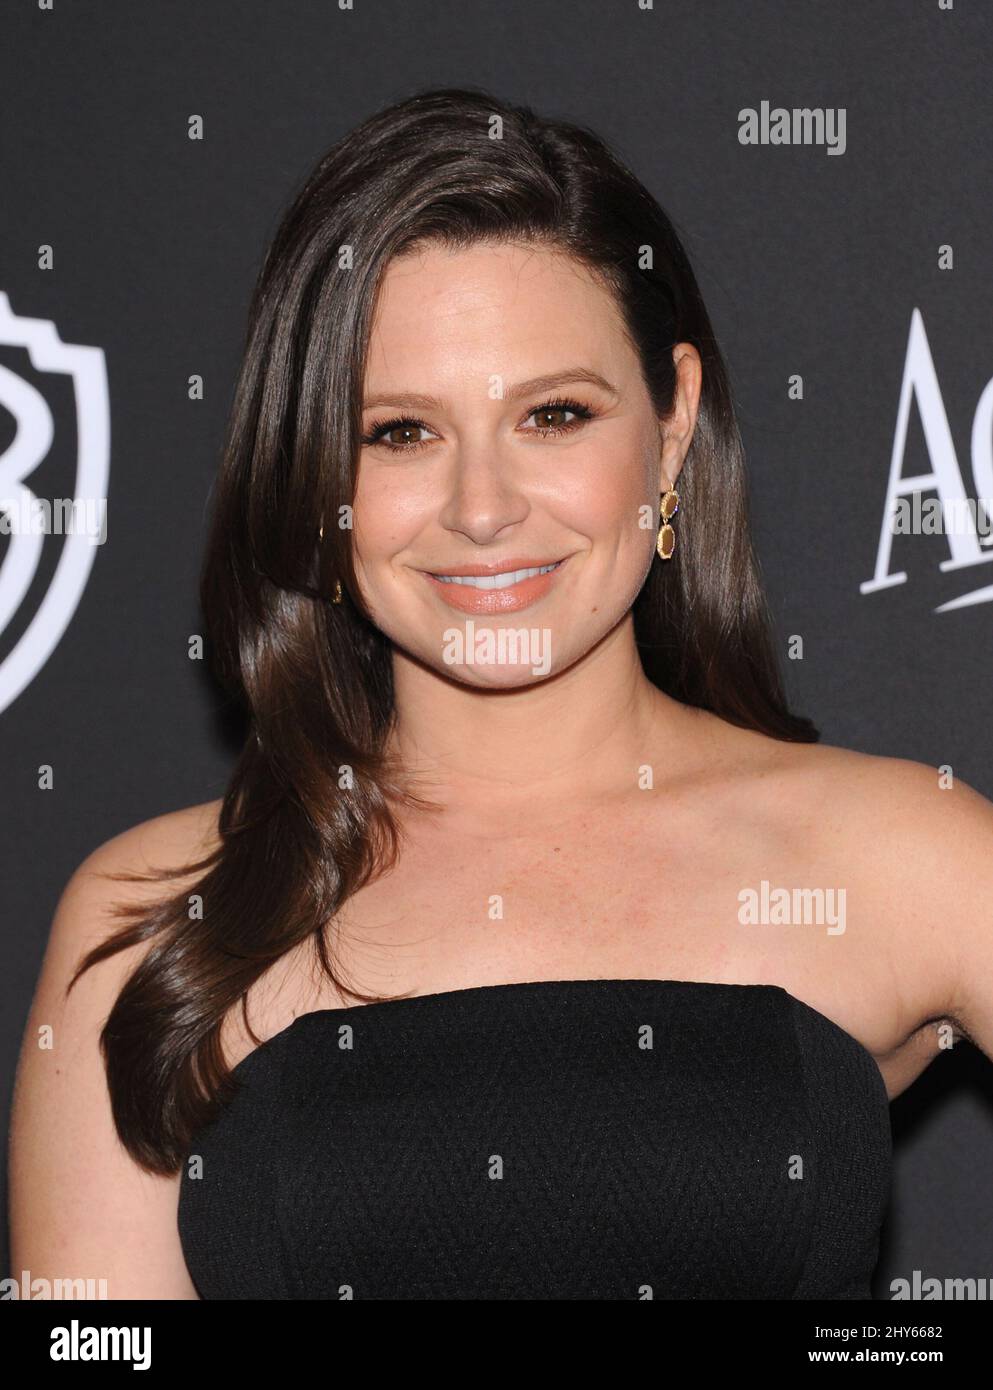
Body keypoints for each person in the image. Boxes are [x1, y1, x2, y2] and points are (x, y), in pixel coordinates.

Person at [9, 86, 993, 1300]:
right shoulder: (159, 918)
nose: (482, 508)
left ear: (674, 426)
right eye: (400, 433)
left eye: (555, 414)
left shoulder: (907, 858)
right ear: (317, 469)